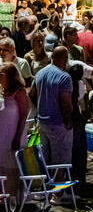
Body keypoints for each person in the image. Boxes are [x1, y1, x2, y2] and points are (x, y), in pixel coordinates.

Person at [31, 47, 73, 180]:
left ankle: (43, 189)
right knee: (60, 158)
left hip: (42, 121)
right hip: (58, 122)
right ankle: (58, 194)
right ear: (65, 58)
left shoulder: (40, 73)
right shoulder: (64, 77)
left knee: (44, 156)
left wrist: (41, 105)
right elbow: (65, 103)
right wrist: (69, 122)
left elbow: (31, 93)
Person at [0, 63, 28, 204]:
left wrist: (17, 138)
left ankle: (13, 201)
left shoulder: (20, 92)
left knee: (12, 169)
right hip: (2, 136)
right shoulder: (1, 91)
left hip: (14, 135)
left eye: (1, 75)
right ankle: (2, 199)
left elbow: (23, 116)